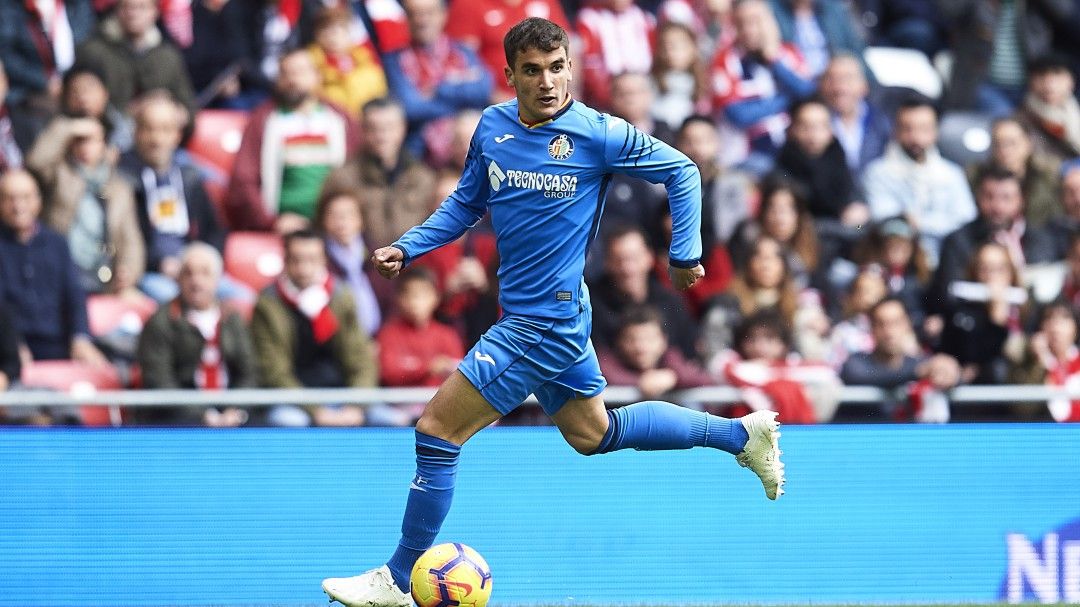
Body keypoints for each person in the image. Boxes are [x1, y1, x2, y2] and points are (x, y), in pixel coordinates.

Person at [320, 18, 785, 606]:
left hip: (544, 324)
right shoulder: (492, 127)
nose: (547, 81)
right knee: (595, 433)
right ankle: (741, 435)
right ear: (510, 74)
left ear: (572, 66)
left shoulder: (596, 132)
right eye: (533, 71)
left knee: (437, 432)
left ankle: (396, 578)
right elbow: (466, 204)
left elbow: (683, 171)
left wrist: (684, 252)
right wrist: (408, 246)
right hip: (542, 318)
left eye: (558, 67)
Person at [250, 229, 377, 427]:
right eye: (296, 260)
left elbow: (361, 360)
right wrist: (316, 410)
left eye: (311, 260)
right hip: (292, 400)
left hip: (343, 394)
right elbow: (274, 372)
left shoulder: (341, 296)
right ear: (285, 261)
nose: (304, 269)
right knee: (289, 422)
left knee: (386, 418)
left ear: (323, 260)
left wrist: (355, 406)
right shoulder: (268, 303)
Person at [226, 48, 360, 232]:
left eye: (300, 72)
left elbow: (359, 172)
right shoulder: (263, 121)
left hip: (337, 227)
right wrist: (271, 221)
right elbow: (244, 180)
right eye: (285, 74)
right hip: (285, 227)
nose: (293, 80)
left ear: (317, 76)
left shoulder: (340, 119)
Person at [118, 93, 228, 304]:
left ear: (177, 135)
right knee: (177, 302)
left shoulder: (190, 177)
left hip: (194, 271)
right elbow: (121, 240)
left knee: (242, 299)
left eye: (165, 130)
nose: (156, 139)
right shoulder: (122, 180)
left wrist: (203, 262)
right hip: (149, 274)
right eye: (149, 129)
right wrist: (159, 263)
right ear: (136, 132)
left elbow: (215, 231)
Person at [135, 242, 258, 426]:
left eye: (205, 273)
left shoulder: (232, 319)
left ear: (218, 279)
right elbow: (160, 381)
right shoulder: (161, 322)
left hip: (230, 413)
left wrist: (236, 409)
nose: (196, 281)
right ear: (178, 279)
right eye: (189, 273)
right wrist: (202, 415)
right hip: (179, 418)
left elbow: (250, 372)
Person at [26, 116, 145, 295]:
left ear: (104, 145)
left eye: (91, 141)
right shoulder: (59, 174)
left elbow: (131, 238)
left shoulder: (120, 188)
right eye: (78, 141)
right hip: (60, 270)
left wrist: (129, 271)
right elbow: (35, 161)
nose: (84, 147)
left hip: (102, 275)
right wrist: (68, 127)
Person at [0, 169, 107, 365]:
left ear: (38, 201)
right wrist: (11, 346)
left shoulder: (57, 243)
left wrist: (80, 337)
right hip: (11, 347)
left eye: (25, 197)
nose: (18, 206)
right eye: (9, 198)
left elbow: (74, 294)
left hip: (58, 343)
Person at [862, 97, 976, 266]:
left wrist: (918, 222)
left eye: (923, 129)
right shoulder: (877, 173)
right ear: (895, 130)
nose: (915, 137)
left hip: (945, 261)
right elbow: (884, 218)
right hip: (896, 263)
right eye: (907, 129)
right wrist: (938, 222)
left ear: (935, 131)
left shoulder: (951, 174)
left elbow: (965, 220)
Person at [710, 0, 815, 174]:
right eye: (742, 23)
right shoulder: (724, 60)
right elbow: (738, 115)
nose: (749, 30)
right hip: (746, 159)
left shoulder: (788, 53)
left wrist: (774, 60)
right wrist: (788, 99)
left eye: (756, 21)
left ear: (771, 21)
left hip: (792, 154)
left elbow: (808, 93)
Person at [383, 0, 492, 160]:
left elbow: (484, 89)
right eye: (414, 14)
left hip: (470, 141)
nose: (422, 20)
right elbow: (412, 107)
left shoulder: (462, 52)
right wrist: (461, 94)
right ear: (406, 18)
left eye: (429, 13)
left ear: (443, 15)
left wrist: (440, 89)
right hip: (423, 151)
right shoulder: (395, 60)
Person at [321, 98, 436, 249]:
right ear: (362, 131)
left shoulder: (423, 178)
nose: (382, 136)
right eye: (373, 129)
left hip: (413, 263)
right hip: (364, 265)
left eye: (389, 127)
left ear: (402, 128)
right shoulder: (342, 179)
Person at [839, 296, 960, 422]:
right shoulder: (856, 364)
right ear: (871, 328)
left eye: (895, 323)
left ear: (907, 325)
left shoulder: (920, 363)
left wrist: (949, 371)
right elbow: (861, 376)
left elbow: (954, 377)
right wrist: (919, 372)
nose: (889, 332)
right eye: (881, 324)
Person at [75, 0, 196, 117]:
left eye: (141, 7)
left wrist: (168, 109)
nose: (133, 13)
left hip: (157, 131)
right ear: (117, 9)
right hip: (107, 131)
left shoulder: (169, 56)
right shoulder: (92, 52)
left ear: (155, 12)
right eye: (126, 6)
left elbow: (188, 109)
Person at [597, 304, 712, 399]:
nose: (641, 347)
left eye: (649, 339)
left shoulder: (670, 356)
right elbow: (608, 377)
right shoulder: (607, 359)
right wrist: (642, 381)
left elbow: (703, 380)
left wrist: (673, 377)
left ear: (663, 341)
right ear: (619, 342)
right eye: (631, 340)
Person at [966, 117, 1062, 229]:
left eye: (1012, 143)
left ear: (1028, 143)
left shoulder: (1048, 179)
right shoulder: (976, 177)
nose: (1004, 150)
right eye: (998, 144)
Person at [308, 5, 389, 117]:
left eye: (338, 30)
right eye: (325, 31)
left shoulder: (365, 60)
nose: (332, 37)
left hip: (366, 120)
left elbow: (380, 92)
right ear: (317, 35)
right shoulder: (311, 65)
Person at [818, 53, 890, 178]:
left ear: (864, 85)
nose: (840, 88)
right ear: (821, 85)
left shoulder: (882, 122)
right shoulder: (813, 121)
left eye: (848, 79)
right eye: (831, 79)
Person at [576, 0, 656, 111]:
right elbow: (589, 64)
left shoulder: (645, 18)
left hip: (642, 92)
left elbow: (654, 58)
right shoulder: (589, 18)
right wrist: (607, 96)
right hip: (606, 98)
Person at [1016, 55, 1080, 166]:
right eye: (1041, 75)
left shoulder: (1075, 116)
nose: (1049, 84)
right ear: (1031, 81)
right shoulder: (1019, 121)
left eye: (1057, 74)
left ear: (1071, 81)